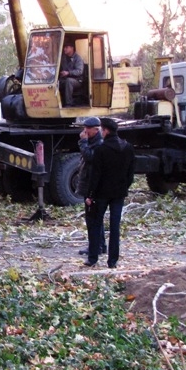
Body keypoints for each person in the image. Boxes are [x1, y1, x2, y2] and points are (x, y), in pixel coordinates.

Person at [84, 117, 134, 269]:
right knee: (115, 226)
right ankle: (112, 261)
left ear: (105, 130)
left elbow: (96, 175)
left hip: (101, 193)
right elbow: (131, 174)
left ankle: (93, 258)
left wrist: (90, 194)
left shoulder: (101, 149)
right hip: (119, 193)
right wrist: (124, 187)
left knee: (96, 224)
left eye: (101, 130)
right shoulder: (128, 147)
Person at [76, 117, 106, 257]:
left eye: (88, 128)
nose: (85, 131)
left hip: (92, 186)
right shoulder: (94, 141)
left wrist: (83, 142)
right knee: (95, 217)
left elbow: (90, 157)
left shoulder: (99, 144)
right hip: (90, 184)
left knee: (93, 218)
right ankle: (100, 245)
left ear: (96, 129)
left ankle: (96, 246)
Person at [59, 42, 84, 107]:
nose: (64, 49)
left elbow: (79, 71)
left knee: (68, 81)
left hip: (77, 80)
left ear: (72, 48)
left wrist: (68, 73)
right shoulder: (63, 58)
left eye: (66, 47)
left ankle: (68, 104)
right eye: (64, 47)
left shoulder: (78, 59)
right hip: (64, 78)